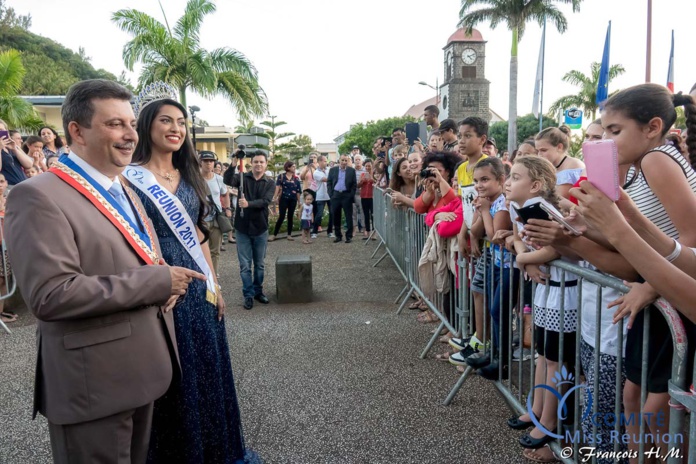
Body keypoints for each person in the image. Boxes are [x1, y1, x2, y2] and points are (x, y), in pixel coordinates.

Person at [5, 78, 206, 464]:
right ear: (77, 131)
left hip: (143, 372)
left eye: (131, 123)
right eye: (115, 124)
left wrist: (163, 284)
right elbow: (52, 294)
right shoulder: (37, 195)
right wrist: (156, 282)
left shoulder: (123, 188)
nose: (130, 134)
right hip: (93, 387)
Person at [230, 151, 275, 310]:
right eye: (255, 162)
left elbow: (266, 201)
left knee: (260, 264)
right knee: (245, 265)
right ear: (251, 163)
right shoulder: (242, 178)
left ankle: (258, 291)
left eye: (261, 162)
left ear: (265, 164)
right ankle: (248, 294)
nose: (258, 165)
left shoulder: (269, 182)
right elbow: (228, 179)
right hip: (242, 228)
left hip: (260, 228)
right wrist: (234, 163)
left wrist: (248, 204)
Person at [200, 151, 231, 274]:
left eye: (211, 161)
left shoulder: (219, 179)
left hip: (216, 218)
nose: (208, 164)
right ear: (200, 163)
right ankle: (204, 274)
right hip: (200, 219)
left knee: (215, 250)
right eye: (205, 161)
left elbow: (225, 193)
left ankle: (214, 274)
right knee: (202, 250)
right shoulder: (195, 178)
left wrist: (227, 208)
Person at [534, 127, 584, 198]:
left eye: (543, 150)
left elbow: (560, 199)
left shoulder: (573, 166)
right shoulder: (550, 166)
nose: (539, 155)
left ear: (559, 147)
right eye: (537, 151)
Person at [327, 153, 357, 243]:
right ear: (339, 160)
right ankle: (338, 235)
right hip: (336, 195)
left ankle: (349, 236)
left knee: (348, 216)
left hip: (346, 195)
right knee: (336, 216)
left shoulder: (351, 171)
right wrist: (331, 194)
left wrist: (351, 195)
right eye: (342, 160)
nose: (344, 162)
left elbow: (354, 184)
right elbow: (329, 182)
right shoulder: (333, 170)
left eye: (346, 160)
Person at [270, 160, 301, 242]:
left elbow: (298, 191)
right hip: (283, 199)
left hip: (293, 200)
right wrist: (275, 197)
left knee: (290, 217)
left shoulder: (296, 178)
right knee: (281, 216)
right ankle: (274, 234)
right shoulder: (281, 176)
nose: (294, 168)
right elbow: (277, 187)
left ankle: (289, 234)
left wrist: (299, 202)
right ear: (288, 167)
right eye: (293, 166)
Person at [0, 119, 32, 188]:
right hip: (7, 188)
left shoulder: (12, 146)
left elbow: (29, 164)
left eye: (2, 130)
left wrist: (15, 149)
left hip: (23, 185)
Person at [311, 154, 332, 238]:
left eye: (326, 161)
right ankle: (314, 231)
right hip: (321, 195)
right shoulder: (316, 172)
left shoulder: (329, 170)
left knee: (332, 213)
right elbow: (325, 179)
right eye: (324, 161)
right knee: (319, 214)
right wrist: (333, 178)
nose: (326, 163)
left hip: (330, 195)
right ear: (319, 162)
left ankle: (330, 231)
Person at [359, 159, 374, 239]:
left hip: (372, 197)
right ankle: (368, 232)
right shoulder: (362, 174)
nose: (368, 167)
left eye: (369, 166)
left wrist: (372, 179)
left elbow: (378, 182)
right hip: (364, 196)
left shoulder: (375, 174)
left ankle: (374, 233)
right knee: (366, 215)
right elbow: (358, 185)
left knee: (373, 215)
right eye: (366, 166)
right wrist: (362, 181)